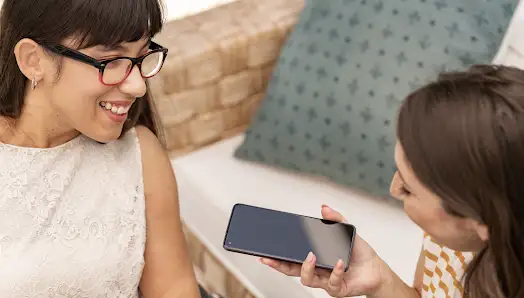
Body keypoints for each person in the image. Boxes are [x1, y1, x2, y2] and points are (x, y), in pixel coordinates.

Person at [261, 64, 524, 298]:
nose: (393, 189)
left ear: (481, 222)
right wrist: (378, 280)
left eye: (409, 190)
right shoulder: (450, 240)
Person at [0, 0, 201, 297]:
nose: (138, 86)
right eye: (111, 61)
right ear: (33, 60)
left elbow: (175, 288)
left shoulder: (140, 155)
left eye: (142, 56)